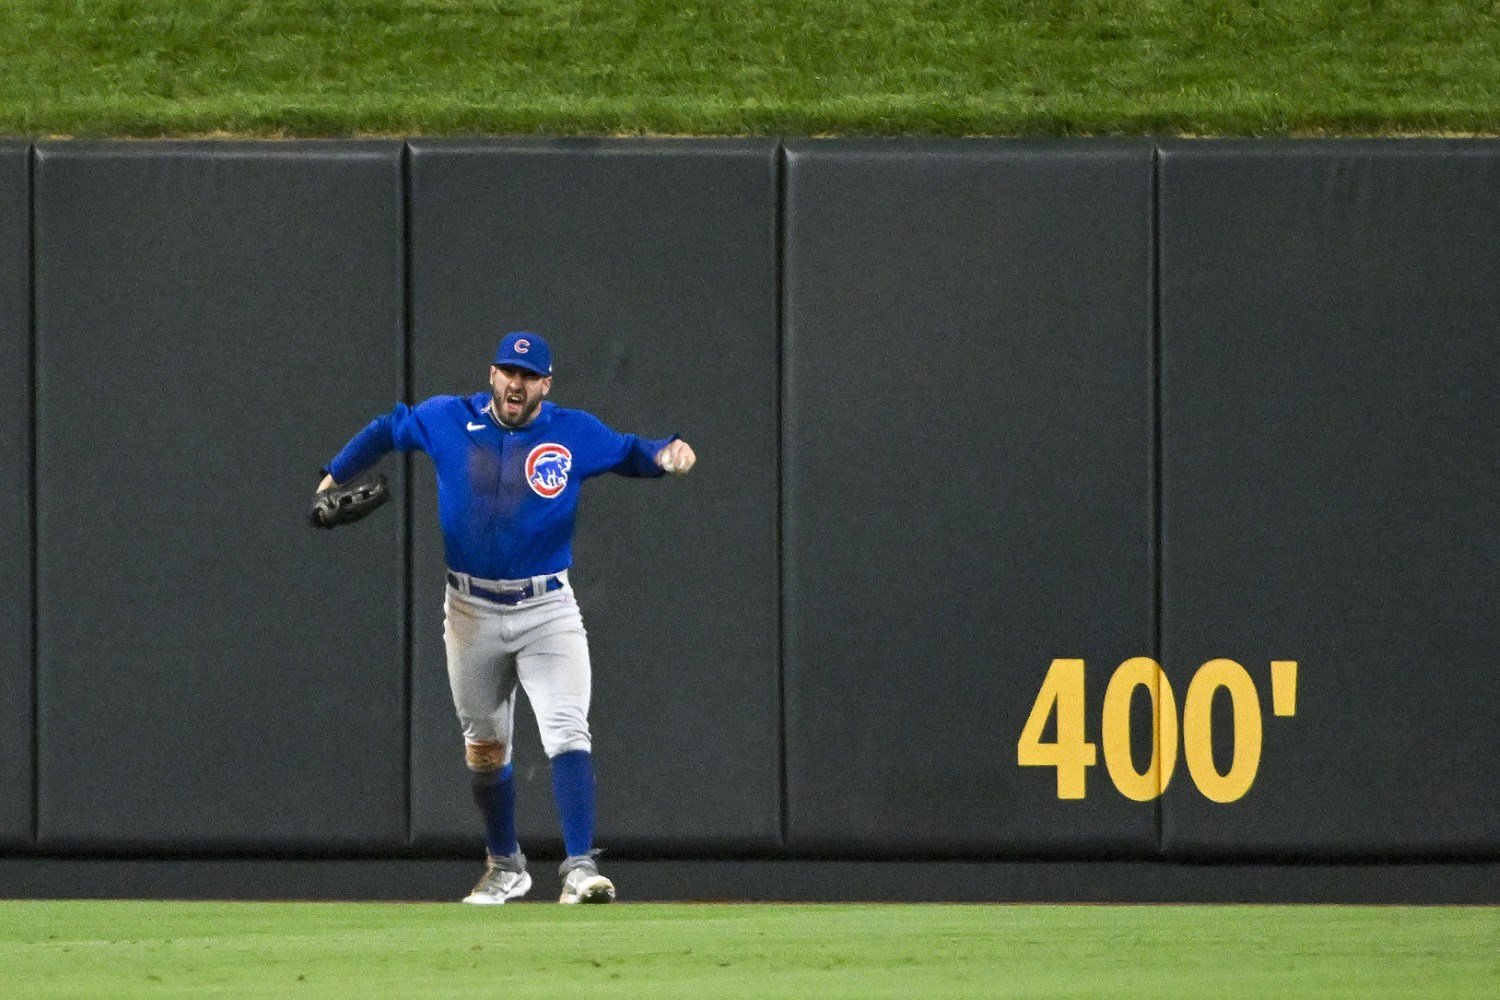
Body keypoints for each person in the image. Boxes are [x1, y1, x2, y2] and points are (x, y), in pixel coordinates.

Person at [315, 331, 696, 904]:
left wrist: (667, 452)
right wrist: (331, 477)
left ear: (546, 383)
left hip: (547, 608)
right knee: (485, 746)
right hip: (469, 608)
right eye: (506, 372)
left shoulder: (572, 432)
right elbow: (387, 428)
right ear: (491, 374)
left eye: (528, 375)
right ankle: (505, 865)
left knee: (567, 728)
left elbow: (630, 451)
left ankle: (579, 867)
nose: (515, 384)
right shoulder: (448, 418)